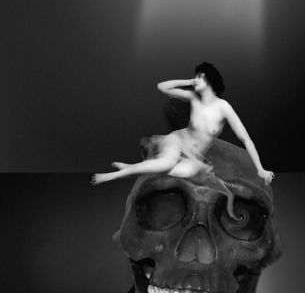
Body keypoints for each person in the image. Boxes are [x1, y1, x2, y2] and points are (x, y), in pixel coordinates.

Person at [91, 63, 274, 215]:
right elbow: (162, 87)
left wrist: (260, 169)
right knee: (166, 163)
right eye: (195, 77)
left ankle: (129, 168)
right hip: (177, 141)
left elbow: (246, 139)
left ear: (210, 80)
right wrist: (188, 82)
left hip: (194, 158)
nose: (195, 80)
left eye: (199, 76)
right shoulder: (193, 98)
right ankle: (111, 176)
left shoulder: (223, 107)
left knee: (182, 171)